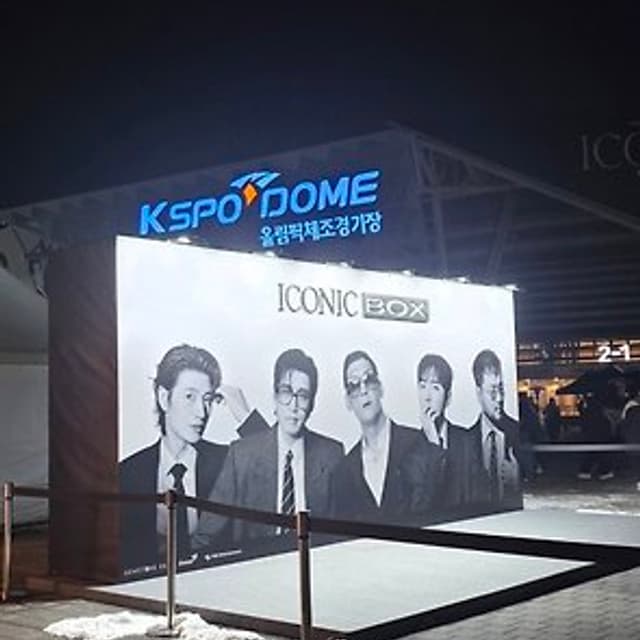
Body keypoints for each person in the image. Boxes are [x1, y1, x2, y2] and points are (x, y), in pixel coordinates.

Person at [119, 344, 264, 571]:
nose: (202, 412)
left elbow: (274, 467)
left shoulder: (227, 462)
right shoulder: (128, 473)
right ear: (164, 398)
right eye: (189, 396)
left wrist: (245, 417)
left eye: (208, 399)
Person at [192, 348, 344, 550]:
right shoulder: (241, 455)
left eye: (303, 396)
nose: (294, 405)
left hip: (314, 563)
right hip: (256, 564)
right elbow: (205, 536)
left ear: (312, 404)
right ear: (275, 397)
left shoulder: (331, 454)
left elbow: (342, 537)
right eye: (286, 392)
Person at [330, 350, 426, 523]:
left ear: (380, 388)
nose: (363, 390)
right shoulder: (343, 472)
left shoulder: (416, 443)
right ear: (348, 401)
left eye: (368, 380)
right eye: (354, 385)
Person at [412, 353, 470, 514]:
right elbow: (420, 507)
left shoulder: (466, 440)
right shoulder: (410, 448)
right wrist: (434, 444)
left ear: (448, 398)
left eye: (435, 388)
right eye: (422, 386)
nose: (427, 397)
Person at [467, 349, 522, 509]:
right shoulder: (466, 441)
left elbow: (540, 477)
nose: (499, 398)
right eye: (492, 392)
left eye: (501, 389)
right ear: (478, 393)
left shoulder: (517, 431)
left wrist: (517, 479)